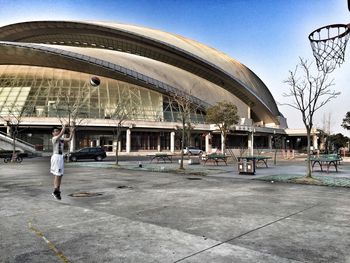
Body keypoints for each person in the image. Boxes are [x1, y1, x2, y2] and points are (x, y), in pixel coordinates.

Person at [50, 124, 75, 200]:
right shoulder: (54, 138)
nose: (57, 132)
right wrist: (64, 127)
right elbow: (61, 134)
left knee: (60, 175)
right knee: (57, 174)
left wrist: (72, 132)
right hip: (56, 156)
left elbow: (70, 139)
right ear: (53, 133)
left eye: (57, 130)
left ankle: (57, 190)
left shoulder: (61, 139)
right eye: (55, 131)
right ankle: (55, 191)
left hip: (60, 157)